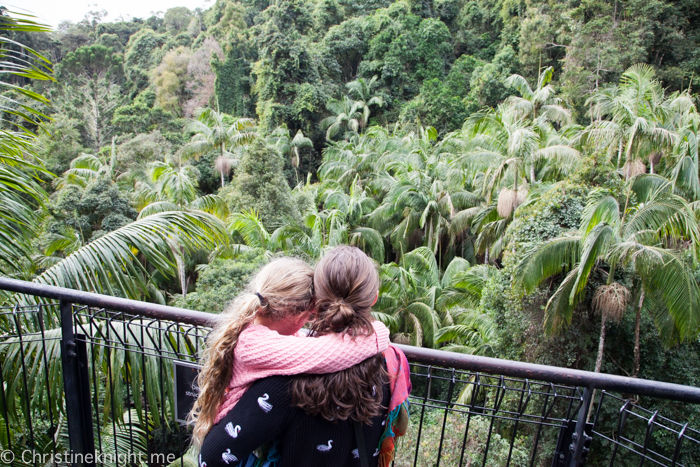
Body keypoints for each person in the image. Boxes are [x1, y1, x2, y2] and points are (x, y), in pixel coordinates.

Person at [199, 246, 411, 467]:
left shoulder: (285, 381)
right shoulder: (394, 362)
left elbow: (210, 458)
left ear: (316, 302)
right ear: (374, 298)